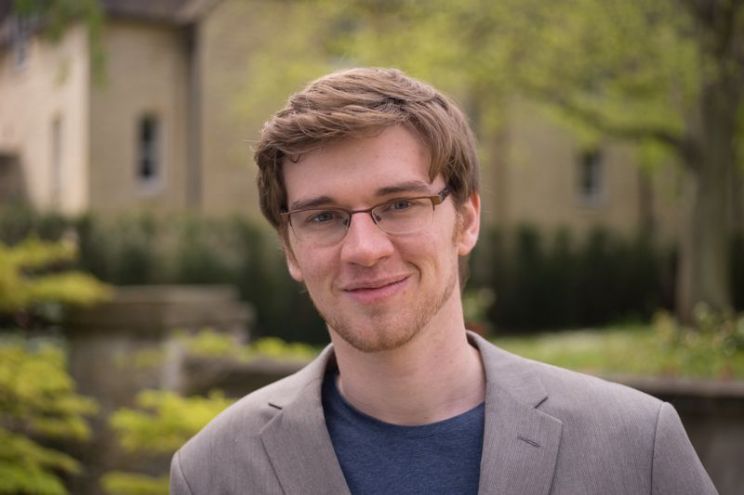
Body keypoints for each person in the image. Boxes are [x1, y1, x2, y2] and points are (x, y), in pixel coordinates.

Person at [170, 67, 717, 495]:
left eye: (400, 204)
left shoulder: (634, 444)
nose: (364, 249)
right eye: (323, 216)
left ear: (467, 220)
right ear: (290, 247)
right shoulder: (213, 471)